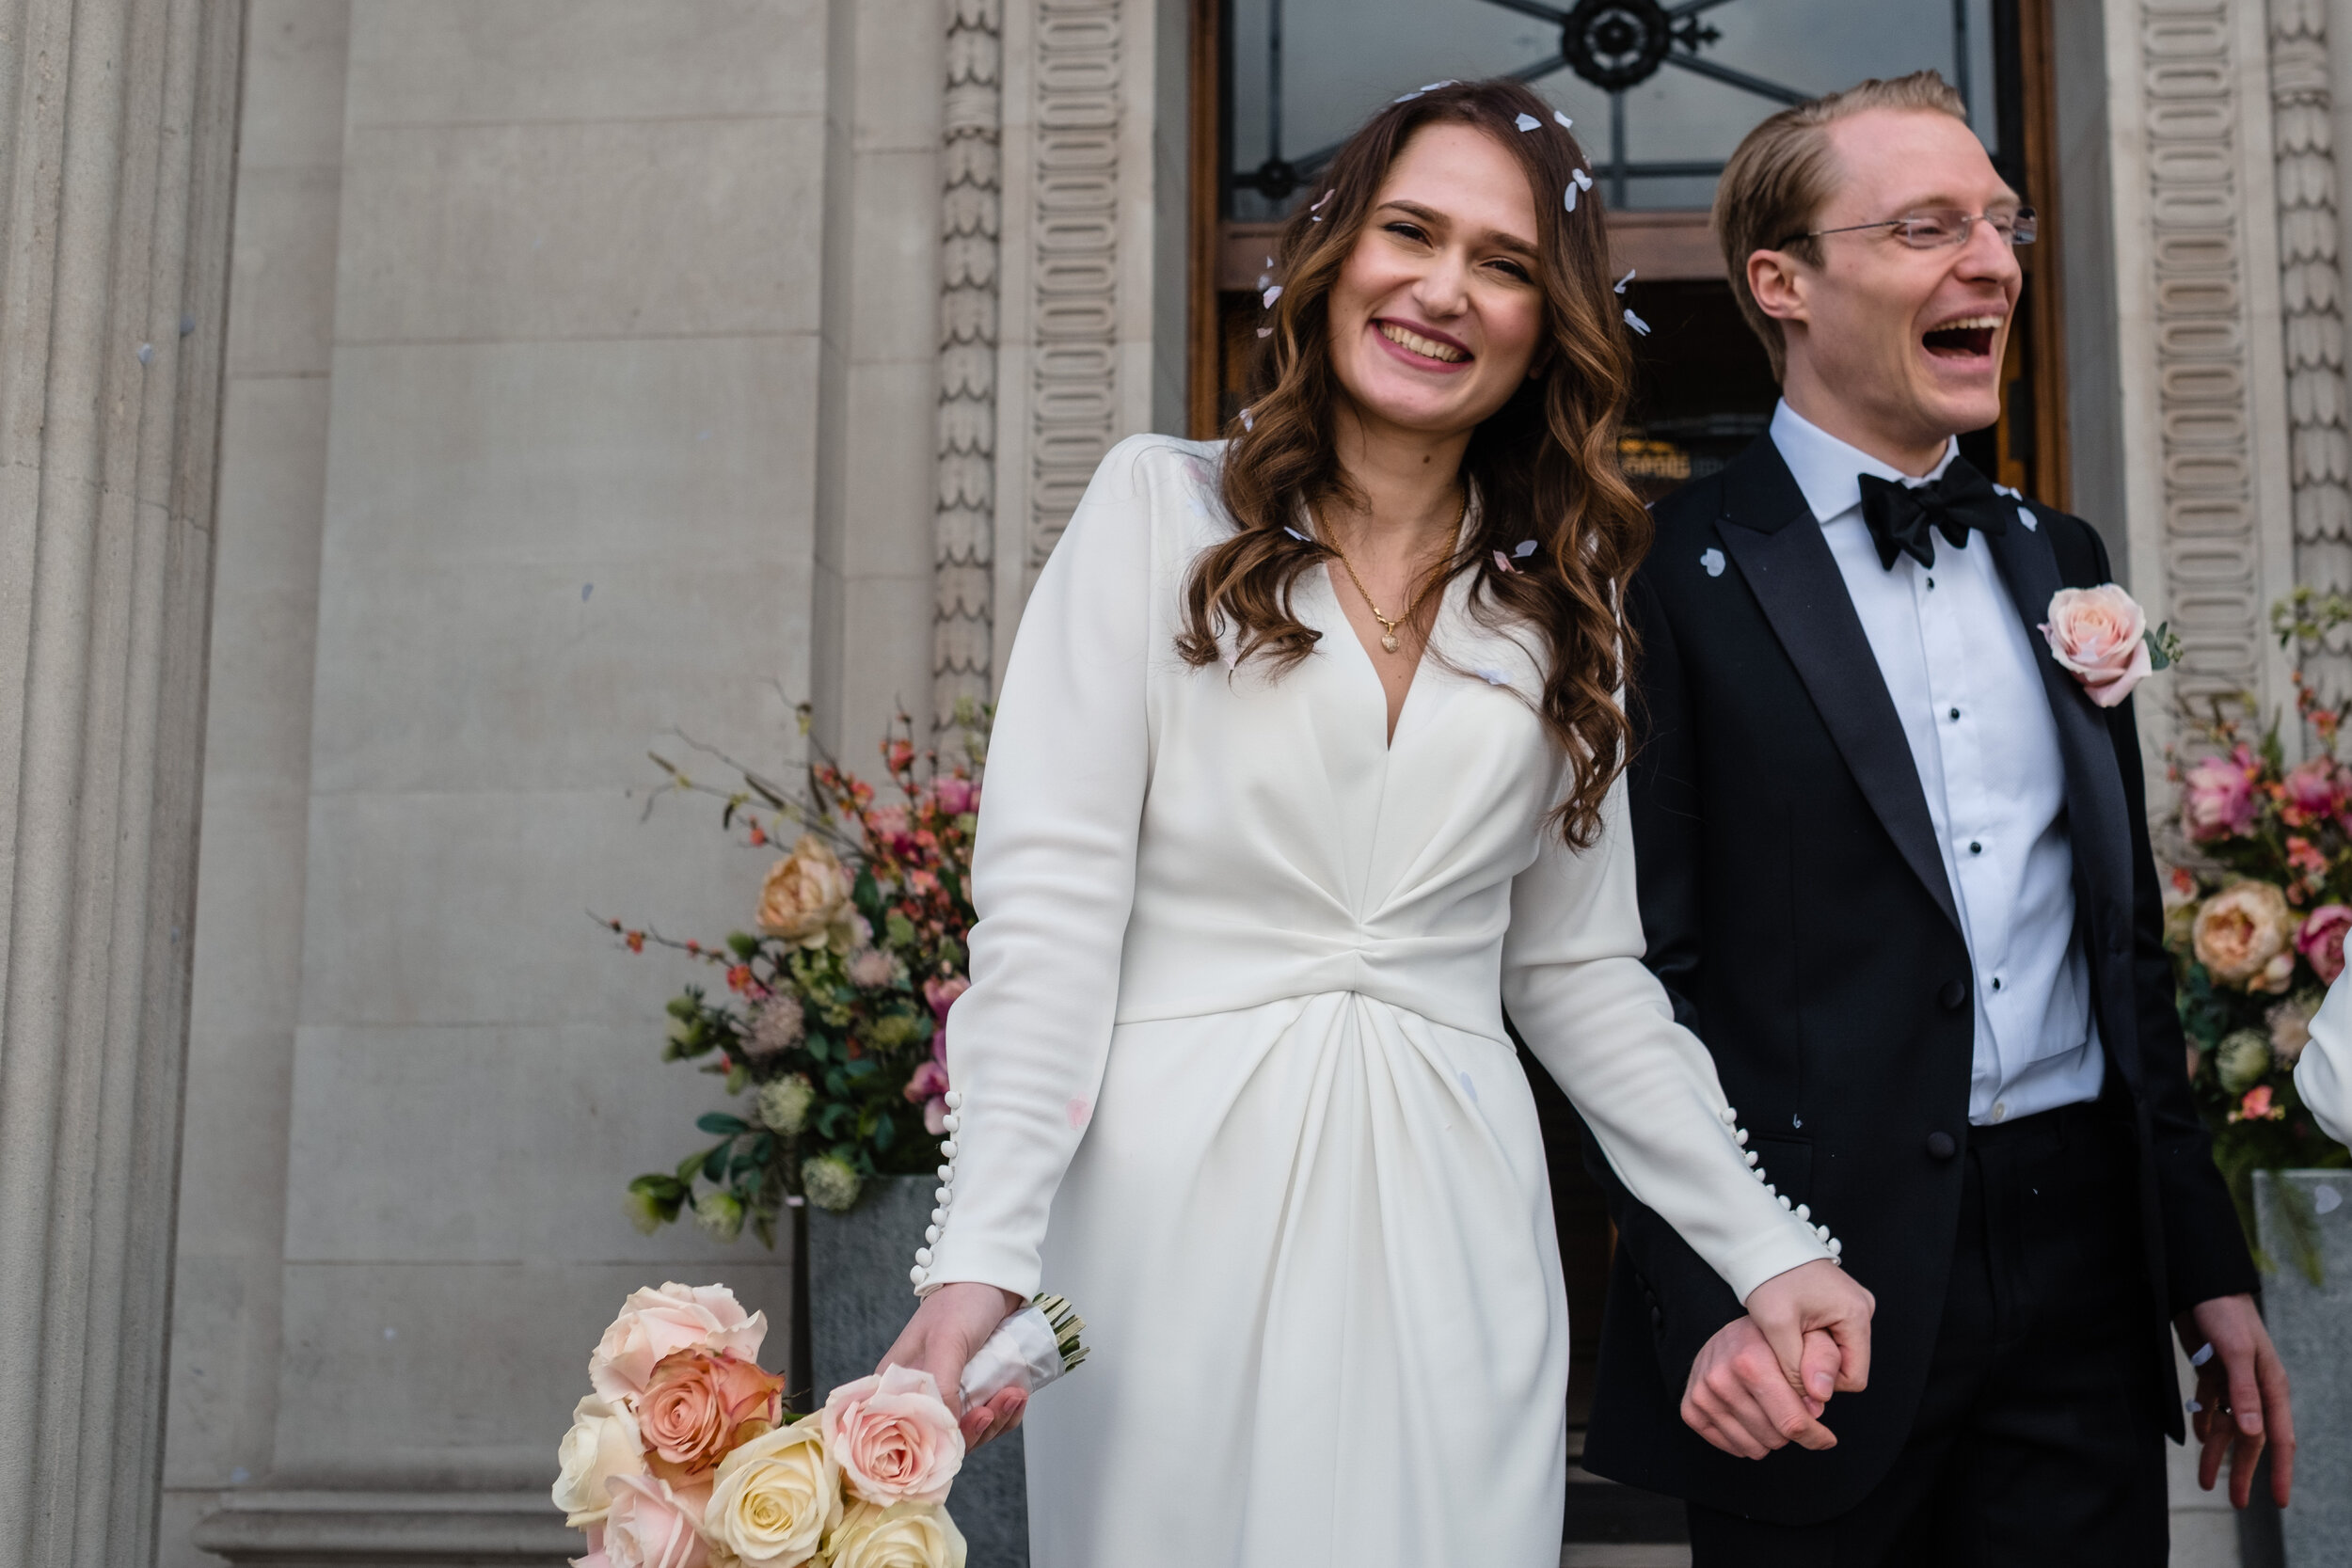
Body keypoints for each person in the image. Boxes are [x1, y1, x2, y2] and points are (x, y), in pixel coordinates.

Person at [874, 79, 1873, 1568]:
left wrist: (1767, 1242)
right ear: (1332, 257)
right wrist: (977, 1263)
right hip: (1167, 1208)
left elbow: (1581, 980)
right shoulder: (1159, 514)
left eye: (1507, 262)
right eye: (1411, 231)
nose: (1444, 289)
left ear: (1551, 323)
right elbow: (1050, 922)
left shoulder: (1567, 607)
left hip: (1456, 1212)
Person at [1578, 71, 2295, 1562]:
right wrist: (1718, 1293)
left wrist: (2200, 1267)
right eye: (1925, 226)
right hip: (1810, 1292)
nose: (1992, 262)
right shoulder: (1660, 575)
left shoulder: (2061, 558)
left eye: (2000, 220)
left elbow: (2122, 947)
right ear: (1782, 280)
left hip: (2085, 1283)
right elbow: (1629, 984)